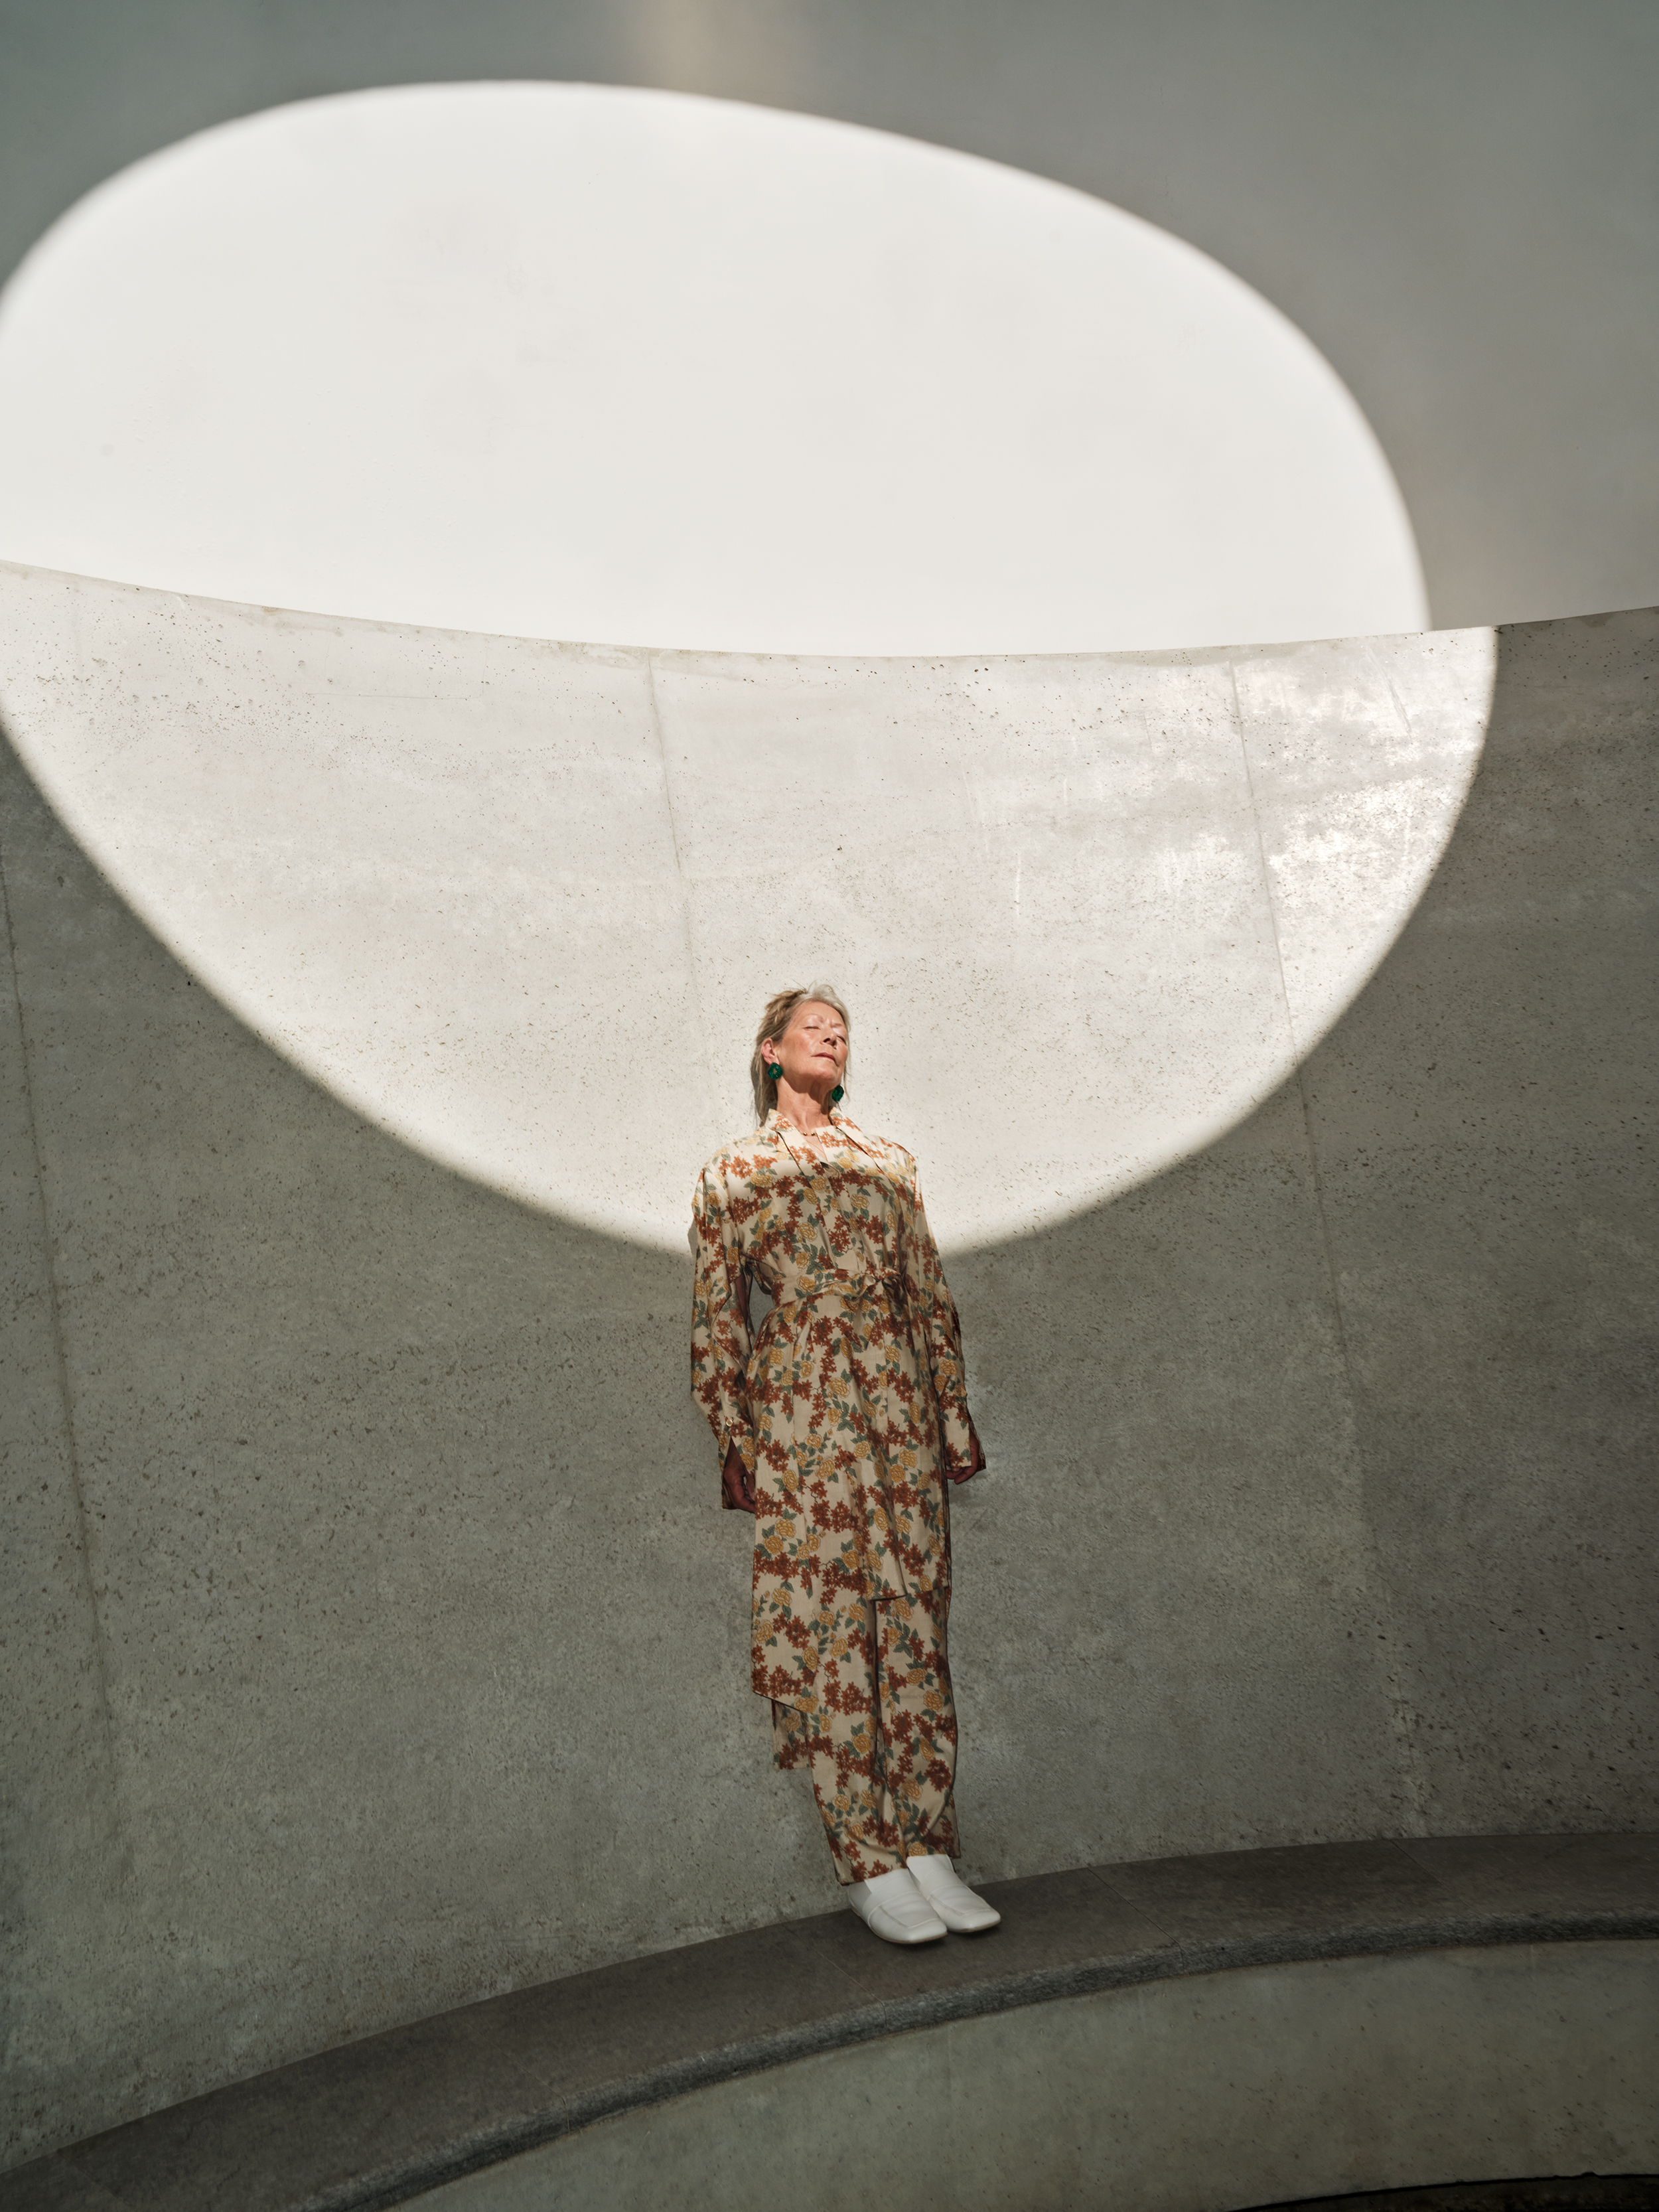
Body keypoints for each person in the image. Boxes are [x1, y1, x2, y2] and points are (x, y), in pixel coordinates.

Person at [689, 985, 1000, 1947]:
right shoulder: (734, 1171)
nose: (832, 1036)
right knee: (828, 1625)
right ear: (771, 1050)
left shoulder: (888, 1161)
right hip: (801, 1408)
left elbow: (930, 1294)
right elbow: (716, 1313)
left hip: (897, 1404)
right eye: (813, 1027)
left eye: (843, 1031)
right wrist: (733, 1434)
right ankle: (866, 1858)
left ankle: (926, 1844)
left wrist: (951, 1414)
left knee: (913, 1615)